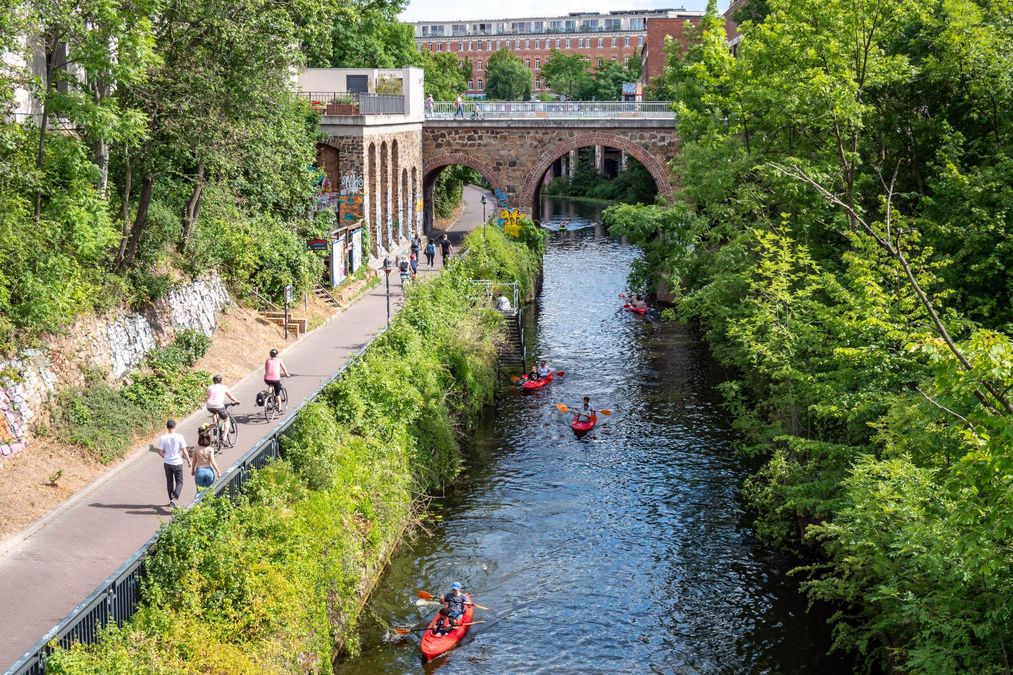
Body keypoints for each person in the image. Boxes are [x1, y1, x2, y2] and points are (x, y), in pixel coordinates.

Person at [156, 419, 190, 508]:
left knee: (169, 482)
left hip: (167, 463)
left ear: (167, 427)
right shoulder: (180, 437)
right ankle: (175, 499)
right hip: (177, 462)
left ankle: (171, 500)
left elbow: (160, 451)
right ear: (175, 426)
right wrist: (189, 461)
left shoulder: (163, 438)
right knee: (180, 482)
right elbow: (184, 450)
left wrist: (166, 457)